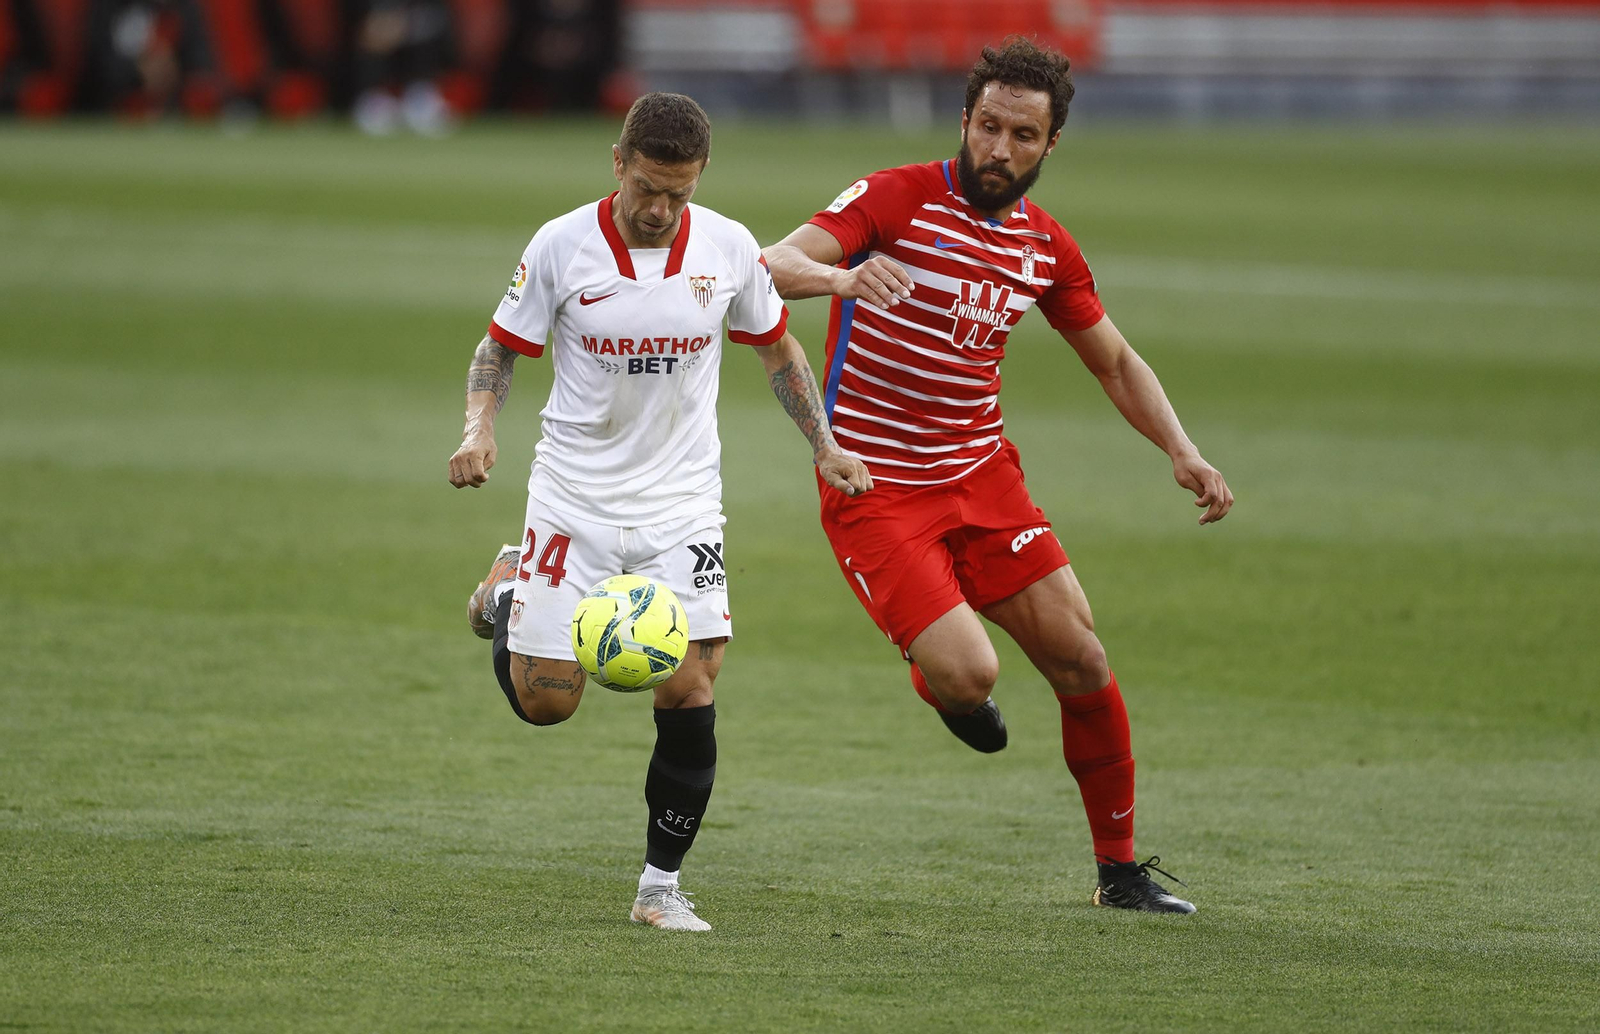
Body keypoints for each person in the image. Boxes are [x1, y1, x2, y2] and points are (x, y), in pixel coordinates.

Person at [762, 37, 1233, 914]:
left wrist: (1182, 450)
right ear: (965, 121)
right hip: (874, 486)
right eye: (987, 127)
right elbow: (770, 264)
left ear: (1051, 143)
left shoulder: (1045, 247)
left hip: (983, 478)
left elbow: (1114, 361)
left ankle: (1120, 873)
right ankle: (942, 677)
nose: (999, 149)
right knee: (971, 676)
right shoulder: (898, 196)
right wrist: (841, 276)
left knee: (1082, 659)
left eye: (1022, 135)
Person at [446, 92, 872, 932]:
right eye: (646, 187)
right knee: (546, 703)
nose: (659, 209)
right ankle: (510, 589)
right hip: (573, 499)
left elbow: (778, 349)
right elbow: (501, 346)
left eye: (679, 192)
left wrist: (824, 445)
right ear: (618, 162)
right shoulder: (561, 245)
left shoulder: (728, 247)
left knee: (690, 683)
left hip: (683, 505)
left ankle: (658, 888)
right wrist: (477, 429)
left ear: (700, 177)